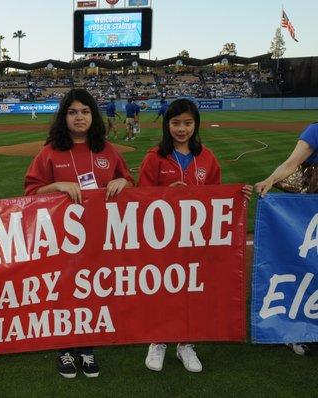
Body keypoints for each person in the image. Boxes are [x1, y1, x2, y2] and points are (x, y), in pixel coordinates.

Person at [24, 88, 134, 379]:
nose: (79, 117)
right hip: (61, 239)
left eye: (85, 111)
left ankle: (86, 348)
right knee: (63, 292)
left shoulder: (107, 150)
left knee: (92, 292)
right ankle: (64, 349)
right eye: (73, 112)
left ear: (93, 116)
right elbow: (30, 192)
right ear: (64, 117)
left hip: (100, 236)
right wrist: (57, 186)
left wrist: (123, 181)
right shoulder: (49, 152)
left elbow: (129, 182)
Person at [138, 98, 252, 373]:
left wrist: (239, 196)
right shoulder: (155, 157)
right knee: (163, 287)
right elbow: (139, 197)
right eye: (176, 123)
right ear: (167, 125)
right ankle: (158, 340)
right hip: (163, 238)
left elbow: (217, 197)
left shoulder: (207, 157)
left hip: (197, 239)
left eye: (188, 123)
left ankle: (186, 343)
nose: (182, 129)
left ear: (195, 125)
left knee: (193, 288)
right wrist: (167, 193)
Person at [255, 122, 318, 355]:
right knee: (307, 268)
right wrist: (270, 180)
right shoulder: (315, 131)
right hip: (311, 213)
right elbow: (293, 163)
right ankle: (296, 331)